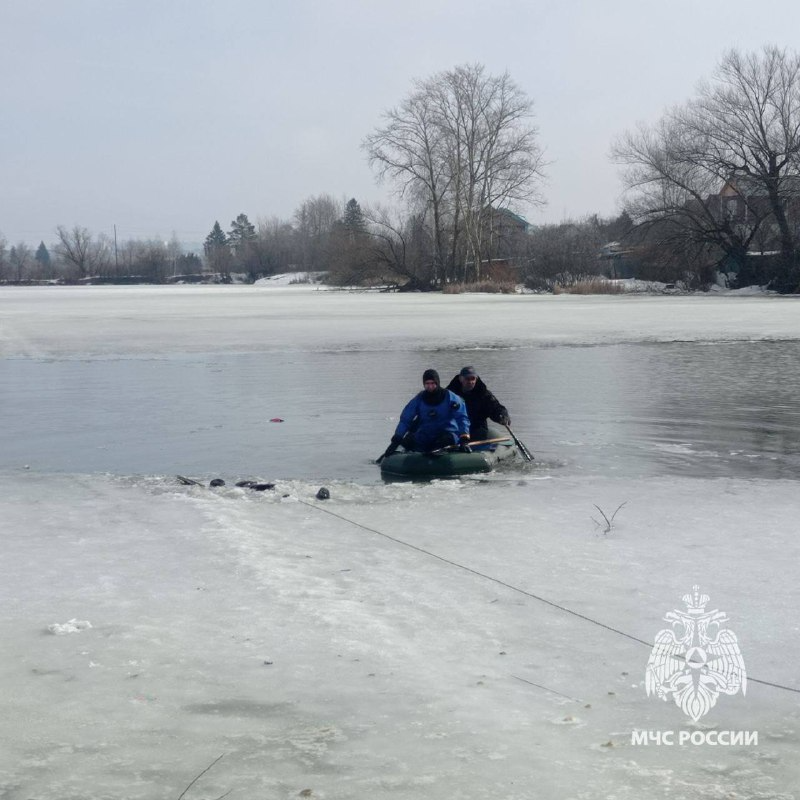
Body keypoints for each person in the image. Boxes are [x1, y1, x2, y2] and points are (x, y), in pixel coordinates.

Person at [390, 369, 470, 453]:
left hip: (447, 434)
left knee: (445, 440)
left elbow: (462, 418)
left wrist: (464, 437)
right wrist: (397, 439)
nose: (430, 386)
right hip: (426, 435)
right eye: (427, 384)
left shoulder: (451, 398)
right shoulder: (419, 399)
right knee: (408, 440)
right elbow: (405, 420)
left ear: (437, 383)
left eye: (433, 383)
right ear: (424, 384)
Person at [445, 365, 510, 441]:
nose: (470, 382)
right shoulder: (450, 394)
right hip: (457, 427)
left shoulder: (483, 394)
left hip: (477, 427)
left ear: (476, 379)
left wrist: (502, 415)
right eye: (467, 379)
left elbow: (495, 407)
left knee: (479, 433)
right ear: (460, 379)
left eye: (473, 379)